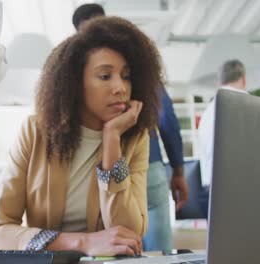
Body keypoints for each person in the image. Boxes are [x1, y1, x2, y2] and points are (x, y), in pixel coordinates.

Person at [0, 16, 163, 257]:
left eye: (126, 76)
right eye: (105, 76)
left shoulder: (133, 138)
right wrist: (82, 243)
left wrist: (112, 140)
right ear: (75, 83)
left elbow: (128, 235)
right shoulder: (35, 132)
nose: (120, 87)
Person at [72, 3, 189, 252]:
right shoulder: (134, 63)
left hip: (100, 169)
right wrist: (178, 170)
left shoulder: (78, 74)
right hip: (149, 165)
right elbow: (166, 117)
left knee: (114, 249)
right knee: (159, 252)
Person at [198, 59, 248, 215]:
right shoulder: (252, 106)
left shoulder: (206, 114)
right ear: (244, 79)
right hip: (242, 190)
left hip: (211, 191)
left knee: (218, 240)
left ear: (219, 83)